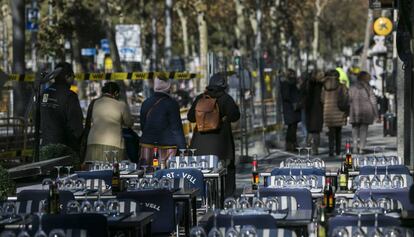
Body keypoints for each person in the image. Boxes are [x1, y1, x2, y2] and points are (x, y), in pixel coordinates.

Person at [187, 73, 240, 197]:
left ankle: (203, 196)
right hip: (221, 145)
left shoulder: (201, 98)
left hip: (200, 145)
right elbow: (235, 116)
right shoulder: (226, 99)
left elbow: (190, 117)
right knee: (228, 169)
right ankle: (227, 197)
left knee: (203, 172)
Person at [140, 73, 186, 167]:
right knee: (166, 176)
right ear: (167, 86)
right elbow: (176, 129)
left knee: (147, 175)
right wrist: (183, 149)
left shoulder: (145, 103)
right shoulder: (172, 104)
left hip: (147, 147)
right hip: (167, 149)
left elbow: (143, 126)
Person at [40, 62, 83, 154]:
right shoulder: (70, 96)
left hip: (45, 144)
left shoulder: (44, 93)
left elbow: (36, 118)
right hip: (64, 148)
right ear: (67, 76)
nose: (74, 80)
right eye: (73, 77)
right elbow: (76, 125)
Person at [84, 82, 133, 162]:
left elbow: (90, 120)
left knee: (94, 170)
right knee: (112, 169)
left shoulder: (94, 103)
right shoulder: (121, 105)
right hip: (114, 143)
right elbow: (129, 123)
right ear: (116, 93)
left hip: (93, 141)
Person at [349, 71, 379, 154]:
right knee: (364, 130)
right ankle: (361, 148)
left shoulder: (352, 87)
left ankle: (355, 147)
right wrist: (376, 114)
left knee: (354, 130)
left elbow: (348, 98)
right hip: (366, 111)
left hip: (355, 111)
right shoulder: (368, 87)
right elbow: (373, 101)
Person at [321, 69, 347, 156]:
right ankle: (338, 150)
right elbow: (346, 98)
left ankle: (331, 151)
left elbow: (322, 99)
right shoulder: (342, 86)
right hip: (339, 111)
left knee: (331, 133)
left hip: (328, 112)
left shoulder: (324, 86)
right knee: (338, 132)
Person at [304, 70, 325, 155]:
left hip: (309, 108)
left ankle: (309, 146)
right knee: (316, 131)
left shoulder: (308, 84)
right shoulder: (321, 85)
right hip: (318, 109)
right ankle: (314, 148)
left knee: (311, 129)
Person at [281, 69, 301, 152]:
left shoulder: (293, 84)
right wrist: (294, 101)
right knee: (291, 128)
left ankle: (293, 144)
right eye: (292, 74)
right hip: (290, 109)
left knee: (293, 127)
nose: (294, 76)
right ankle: (291, 145)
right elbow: (286, 96)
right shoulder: (286, 84)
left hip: (293, 109)